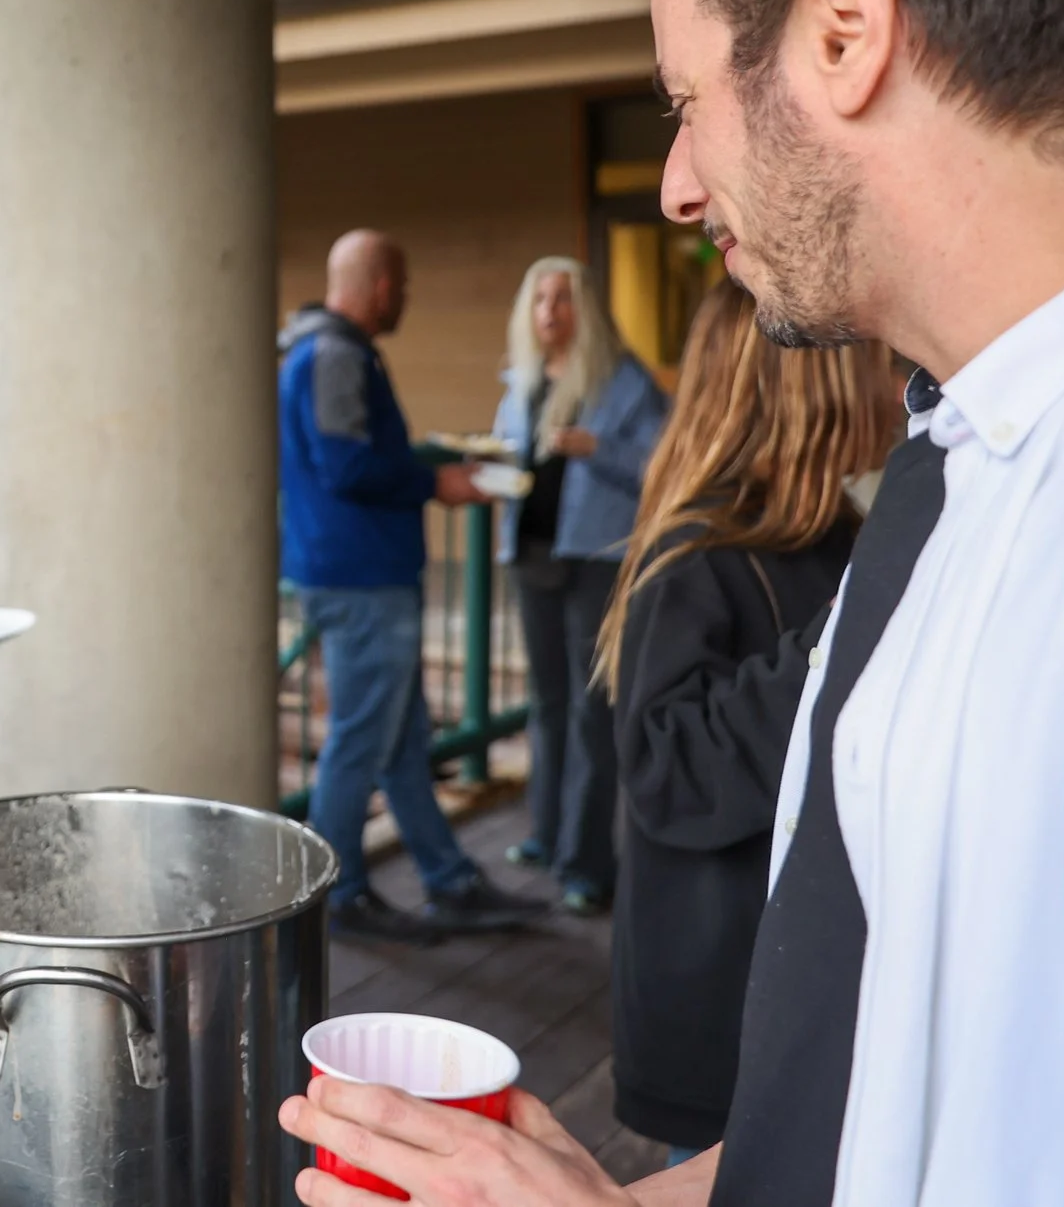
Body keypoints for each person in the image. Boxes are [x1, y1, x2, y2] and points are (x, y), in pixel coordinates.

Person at [282, 0, 1064, 1207]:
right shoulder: (963, 455)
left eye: (687, 100)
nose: (680, 185)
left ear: (844, 33)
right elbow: (911, 1115)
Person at [598, 281, 902, 1167]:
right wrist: (834, 641)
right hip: (722, 1019)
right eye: (881, 364)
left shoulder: (841, 537)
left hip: (812, 995)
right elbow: (668, 773)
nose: (898, 389)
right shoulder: (697, 554)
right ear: (813, 386)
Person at [280, 230, 545, 941]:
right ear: (379, 286)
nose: (403, 298)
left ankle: (449, 880)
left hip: (351, 569)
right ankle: (338, 895)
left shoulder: (319, 349)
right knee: (362, 739)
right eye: (401, 285)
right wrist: (436, 481)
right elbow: (346, 466)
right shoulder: (336, 354)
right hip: (362, 576)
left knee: (398, 741)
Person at [492, 257, 667, 914]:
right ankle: (547, 835)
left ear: (584, 308)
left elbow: (662, 463)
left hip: (595, 559)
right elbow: (509, 454)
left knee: (591, 710)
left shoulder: (624, 380)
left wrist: (598, 448)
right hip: (532, 556)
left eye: (563, 297)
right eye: (540, 298)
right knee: (547, 703)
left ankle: (588, 863)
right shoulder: (523, 380)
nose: (550, 310)